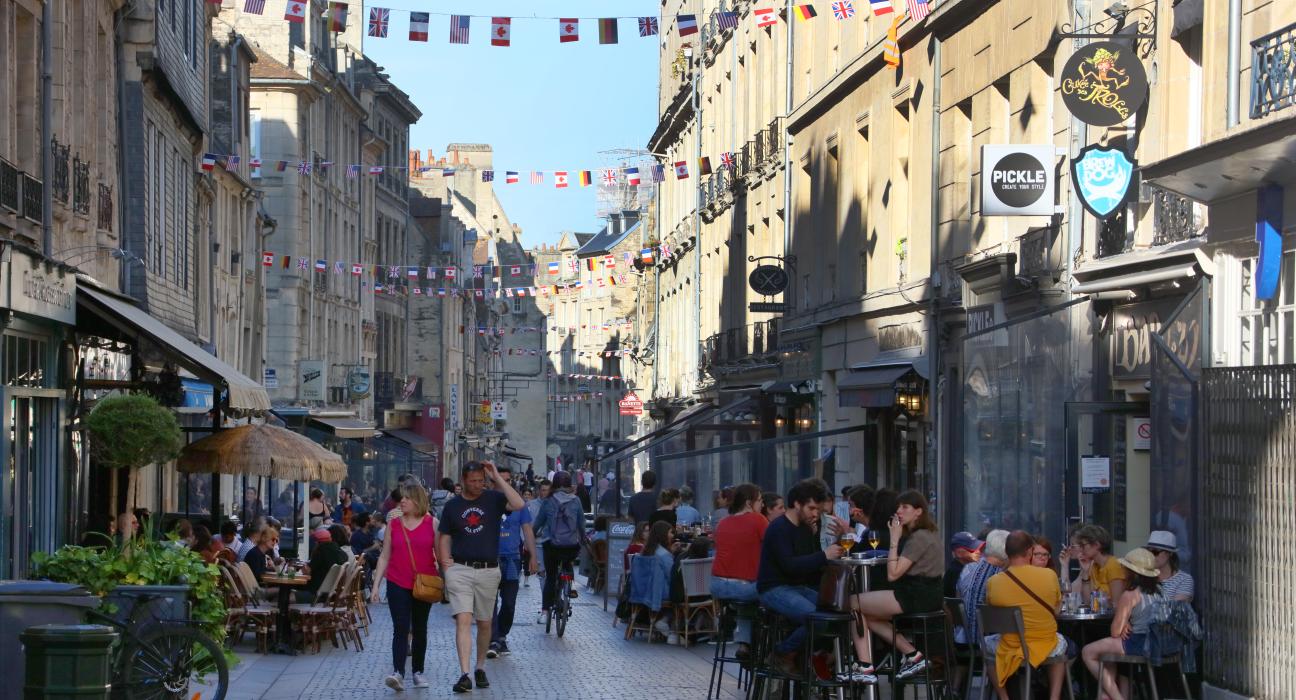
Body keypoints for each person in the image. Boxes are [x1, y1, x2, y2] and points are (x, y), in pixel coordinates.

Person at [437, 462, 525, 694]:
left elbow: (518, 503)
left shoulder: (493, 499)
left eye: (481, 480)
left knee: (485, 623)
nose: (478, 485)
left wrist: (497, 476)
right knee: (463, 620)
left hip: (489, 570)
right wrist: (446, 564)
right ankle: (465, 673)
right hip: (460, 569)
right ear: (464, 480)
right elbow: (444, 535)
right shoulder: (453, 506)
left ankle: (479, 667)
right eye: (474, 481)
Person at [847, 490, 944, 683]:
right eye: (898, 507)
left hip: (916, 596)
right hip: (927, 595)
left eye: (905, 507)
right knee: (866, 615)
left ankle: (865, 666)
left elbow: (892, 574)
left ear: (918, 512)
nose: (899, 511)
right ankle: (912, 655)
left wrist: (894, 538)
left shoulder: (918, 538)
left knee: (852, 602)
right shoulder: (929, 533)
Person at [757, 479, 844, 676]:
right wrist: (824, 555)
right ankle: (782, 653)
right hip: (774, 588)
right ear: (797, 504)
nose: (815, 514)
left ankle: (813, 657)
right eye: (812, 508)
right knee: (818, 619)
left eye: (818, 510)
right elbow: (790, 566)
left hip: (797, 586)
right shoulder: (779, 528)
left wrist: (815, 539)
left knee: (837, 611)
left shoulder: (805, 527)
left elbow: (809, 566)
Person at [369, 483, 439, 692]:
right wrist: (375, 586)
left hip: (423, 582)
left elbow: (441, 554)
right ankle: (398, 671)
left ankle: (418, 671)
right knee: (400, 628)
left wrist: (450, 577)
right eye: (402, 498)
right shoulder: (394, 523)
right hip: (397, 581)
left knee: (419, 628)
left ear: (418, 500)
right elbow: (384, 555)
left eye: (407, 498)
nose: (402, 501)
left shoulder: (432, 523)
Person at [984, 531, 1070, 700]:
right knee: (1062, 644)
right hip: (1045, 643)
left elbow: (991, 610)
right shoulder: (1049, 575)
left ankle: (1004, 697)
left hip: (1011, 645)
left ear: (1006, 553)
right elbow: (1057, 608)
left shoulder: (994, 582)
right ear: (1030, 551)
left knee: (986, 645)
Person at [1081, 548, 1164, 700]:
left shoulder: (1130, 595)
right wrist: (1126, 622)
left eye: (1125, 568)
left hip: (1138, 643)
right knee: (1108, 655)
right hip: (1156, 642)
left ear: (1132, 572)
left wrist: (1123, 622)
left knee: (1088, 652)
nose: (1122, 570)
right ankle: (1106, 695)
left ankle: (1117, 697)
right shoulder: (1159, 591)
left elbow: (1114, 631)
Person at [487, 465, 538, 659]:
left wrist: (533, 556)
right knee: (489, 602)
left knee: (508, 603)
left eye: (507, 480)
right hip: (489, 558)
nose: (503, 483)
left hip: (512, 559)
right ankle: (493, 639)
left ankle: (501, 634)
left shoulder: (519, 504)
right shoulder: (486, 501)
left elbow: (527, 531)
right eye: (499, 479)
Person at [710, 483, 766, 658]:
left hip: (717, 585)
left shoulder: (723, 523)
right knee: (768, 593)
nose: (762, 505)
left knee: (746, 599)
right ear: (749, 503)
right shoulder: (758, 520)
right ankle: (766, 647)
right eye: (760, 500)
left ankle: (744, 643)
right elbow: (775, 547)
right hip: (743, 587)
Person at [532, 471, 586, 627]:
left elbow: (538, 523)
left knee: (550, 576)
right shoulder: (576, 501)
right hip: (571, 545)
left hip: (552, 545)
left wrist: (532, 537)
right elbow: (581, 523)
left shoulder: (548, 501)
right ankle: (571, 584)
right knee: (568, 560)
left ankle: (546, 611)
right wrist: (582, 537)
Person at [957, 530, 1008, 645]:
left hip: (965, 638)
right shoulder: (1002, 576)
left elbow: (958, 597)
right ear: (1006, 552)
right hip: (988, 641)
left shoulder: (968, 568)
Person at [639, 521, 680, 645]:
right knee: (680, 595)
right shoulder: (663, 555)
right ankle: (672, 629)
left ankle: (665, 621)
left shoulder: (647, 550)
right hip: (659, 592)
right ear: (663, 535)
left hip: (643, 590)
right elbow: (671, 575)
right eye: (670, 533)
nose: (672, 536)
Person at [1062, 523, 1125, 601]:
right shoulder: (1095, 566)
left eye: (1083, 545)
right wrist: (1085, 572)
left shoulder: (1113, 565)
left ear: (1096, 545)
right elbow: (1088, 601)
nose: (1081, 549)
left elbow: (1117, 603)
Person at [302, 525, 351, 603]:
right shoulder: (341, 553)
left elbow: (307, 572)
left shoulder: (320, 552)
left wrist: (303, 566)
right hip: (330, 595)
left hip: (315, 594)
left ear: (316, 542)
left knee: (286, 593)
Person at [1146, 530, 1194, 601]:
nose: (1151, 555)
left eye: (1155, 551)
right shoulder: (1144, 576)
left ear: (1169, 553)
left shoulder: (1184, 580)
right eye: (1149, 551)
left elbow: (1175, 607)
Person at [945, 531, 984, 598]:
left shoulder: (971, 567)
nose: (978, 552)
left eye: (979, 548)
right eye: (972, 549)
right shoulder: (956, 572)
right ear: (959, 553)